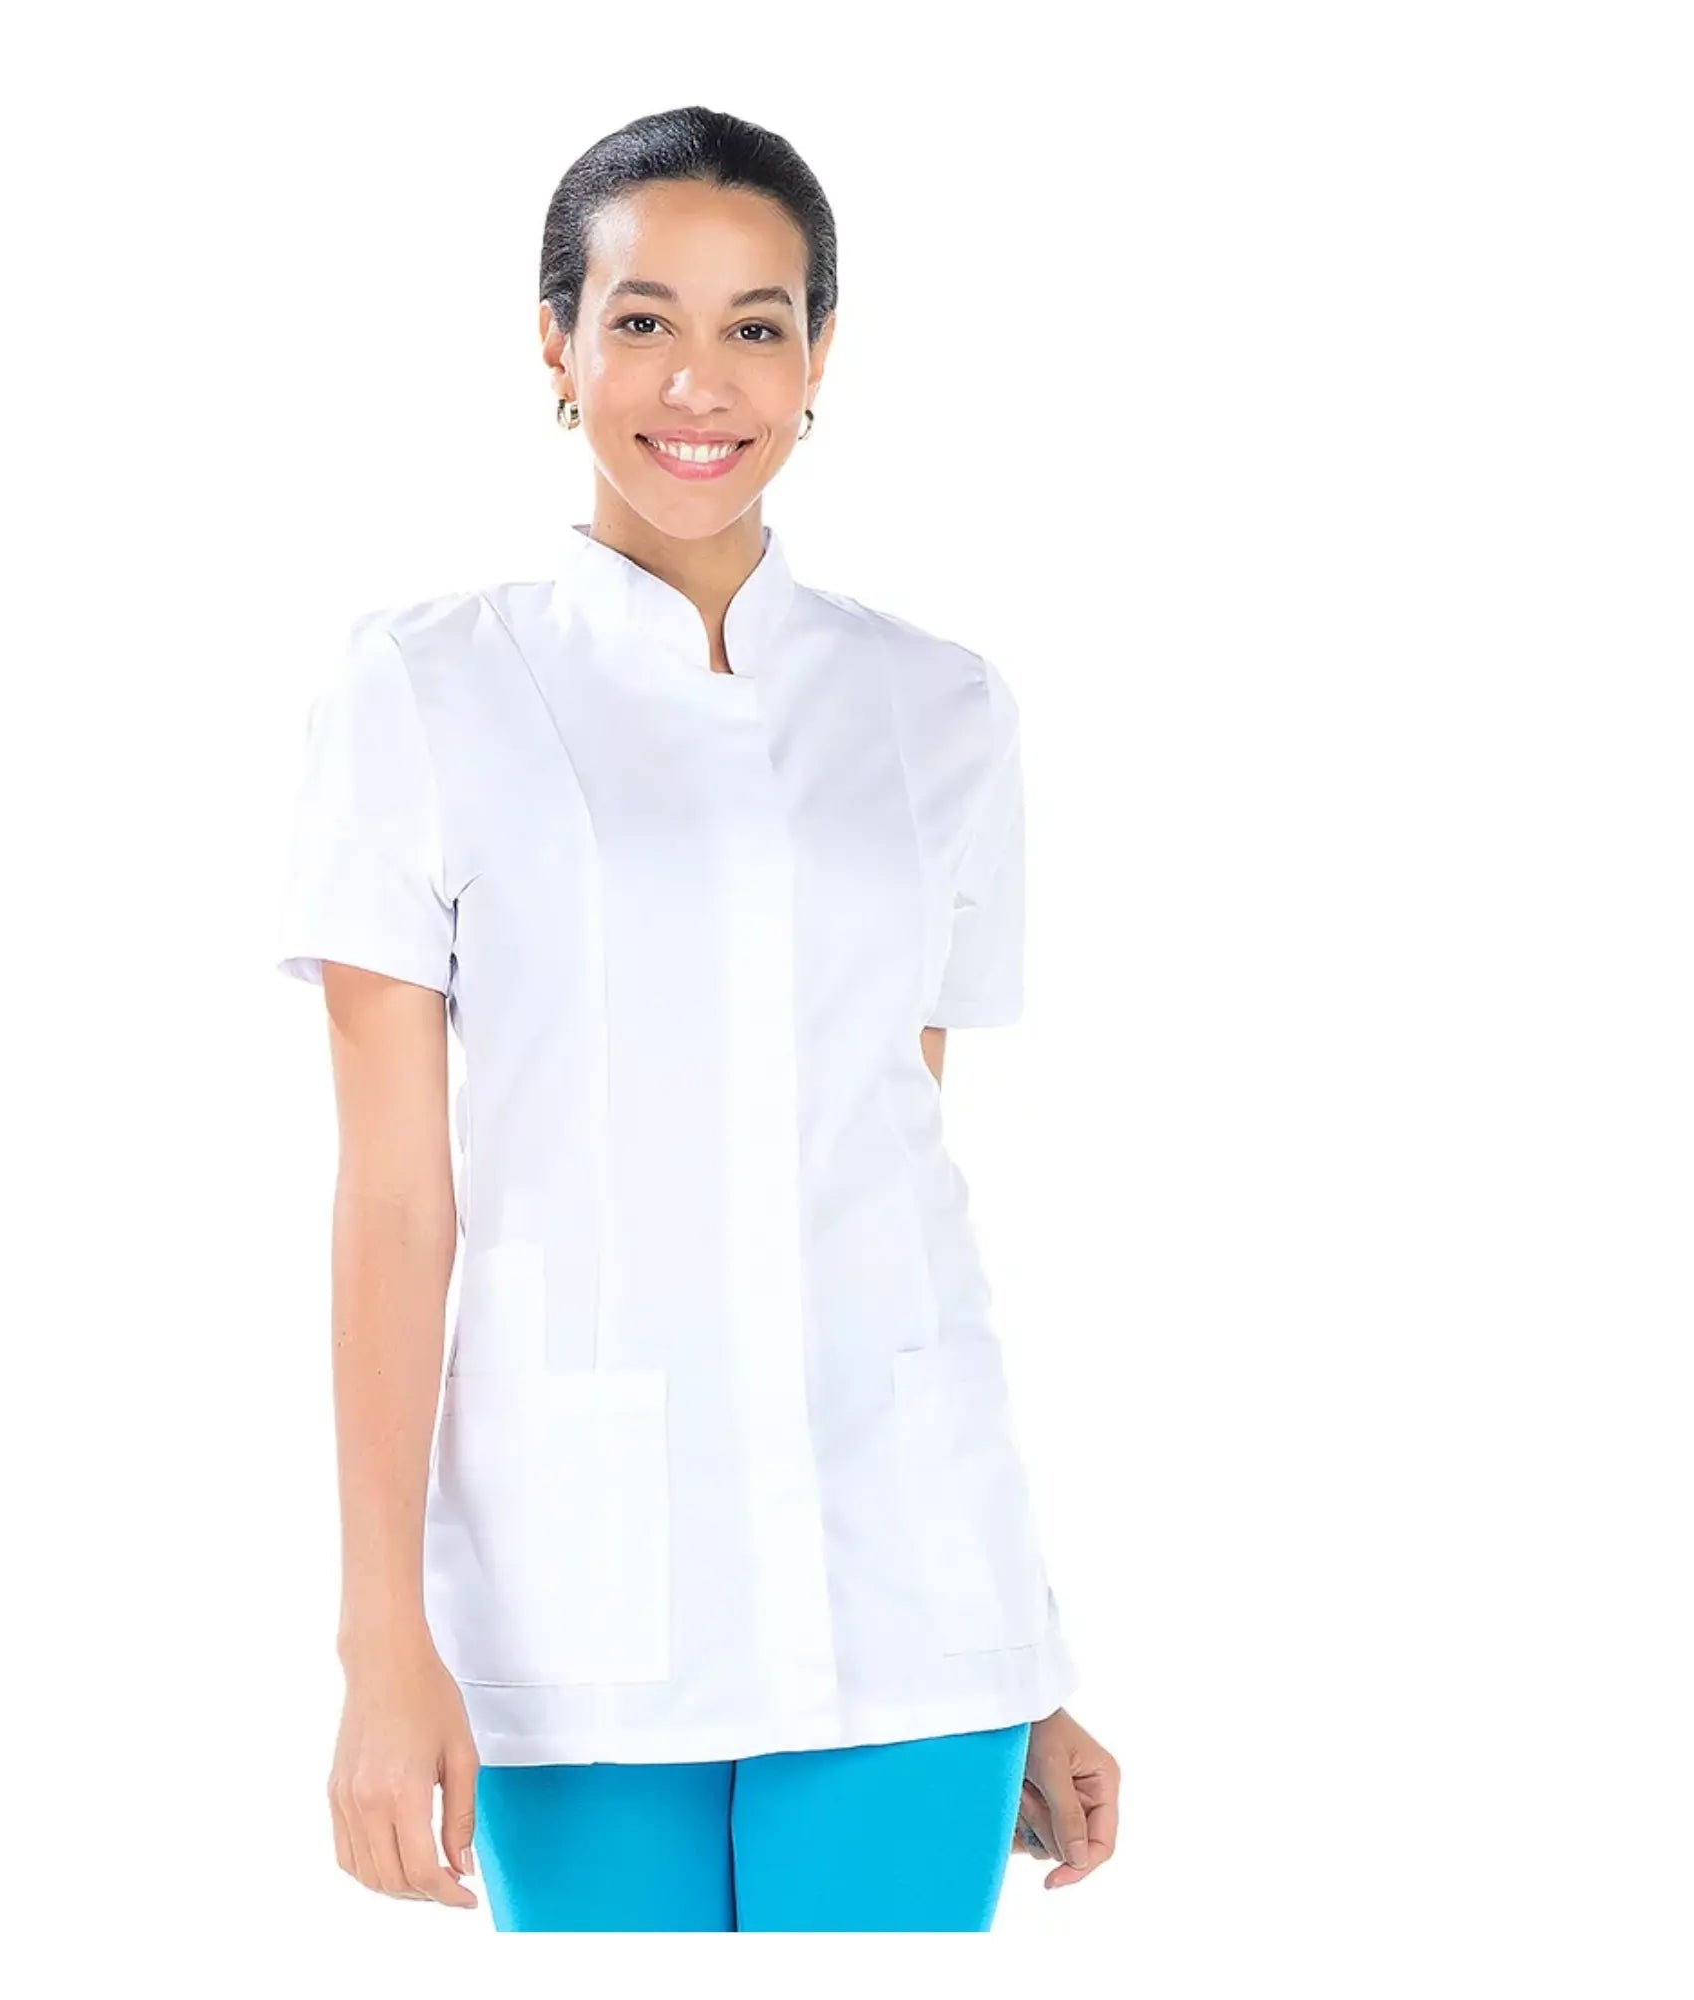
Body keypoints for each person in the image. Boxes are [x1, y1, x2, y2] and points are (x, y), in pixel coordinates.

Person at [276, 104, 1121, 1932]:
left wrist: (1025, 1645)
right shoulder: (427, 690)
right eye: (643, 318)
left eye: (757, 324)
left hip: (916, 1598)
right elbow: (394, 1207)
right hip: (574, 1594)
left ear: (821, 357)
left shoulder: (943, 710)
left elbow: (903, 1188)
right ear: (556, 341)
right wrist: (377, 1643)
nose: (699, 381)